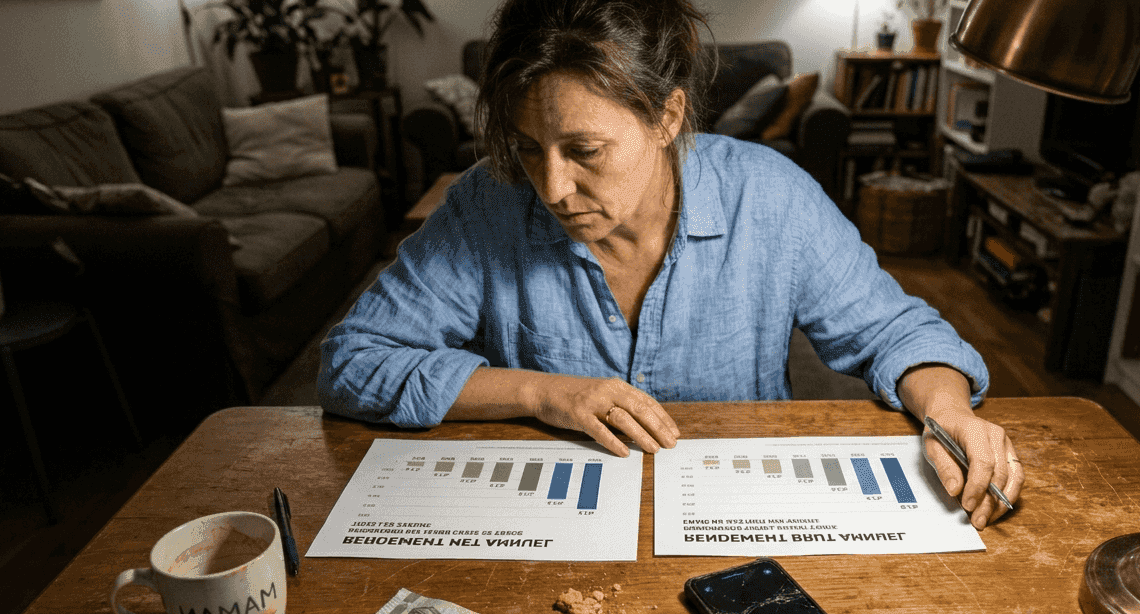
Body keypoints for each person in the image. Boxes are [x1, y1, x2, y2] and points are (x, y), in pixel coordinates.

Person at [319, 0, 1024, 529]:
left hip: (742, 521)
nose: (552, 188)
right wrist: (544, 393)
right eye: (529, 147)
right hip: (548, 532)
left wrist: (951, 412)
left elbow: (897, 333)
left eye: (584, 150)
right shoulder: (487, 204)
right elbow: (351, 361)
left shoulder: (770, 197)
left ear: (666, 116)